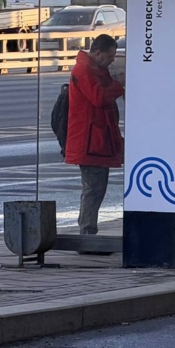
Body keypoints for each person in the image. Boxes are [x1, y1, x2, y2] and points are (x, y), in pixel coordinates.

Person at [65, 33, 124, 236]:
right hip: (90, 141)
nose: (112, 60)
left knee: (96, 189)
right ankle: (87, 233)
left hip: (97, 140)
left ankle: (88, 231)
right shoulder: (84, 70)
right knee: (93, 189)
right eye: (109, 56)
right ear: (97, 53)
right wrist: (119, 84)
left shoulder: (95, 69)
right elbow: (99, 97)